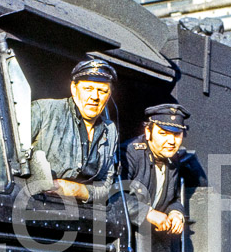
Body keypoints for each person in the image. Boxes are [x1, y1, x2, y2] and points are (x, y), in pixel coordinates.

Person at [30, 58, 119, 203]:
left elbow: (106, 186)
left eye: (102, 91)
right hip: (36, 205)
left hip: (82, 214)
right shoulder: (43, 111)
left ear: (109, 95)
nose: (95, 97)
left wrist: (75, 190)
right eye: (88, 89)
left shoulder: (110, 130)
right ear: (74, 88)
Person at [119, 103, 192, 234]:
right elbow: (115, 195)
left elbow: (173, 199)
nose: (171, 141)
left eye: (177, 135)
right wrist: (147, 213)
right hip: (126, 236)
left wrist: (176, 213)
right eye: (163, 133)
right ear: (148, 132)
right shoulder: (130, 153)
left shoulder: (173, 159)